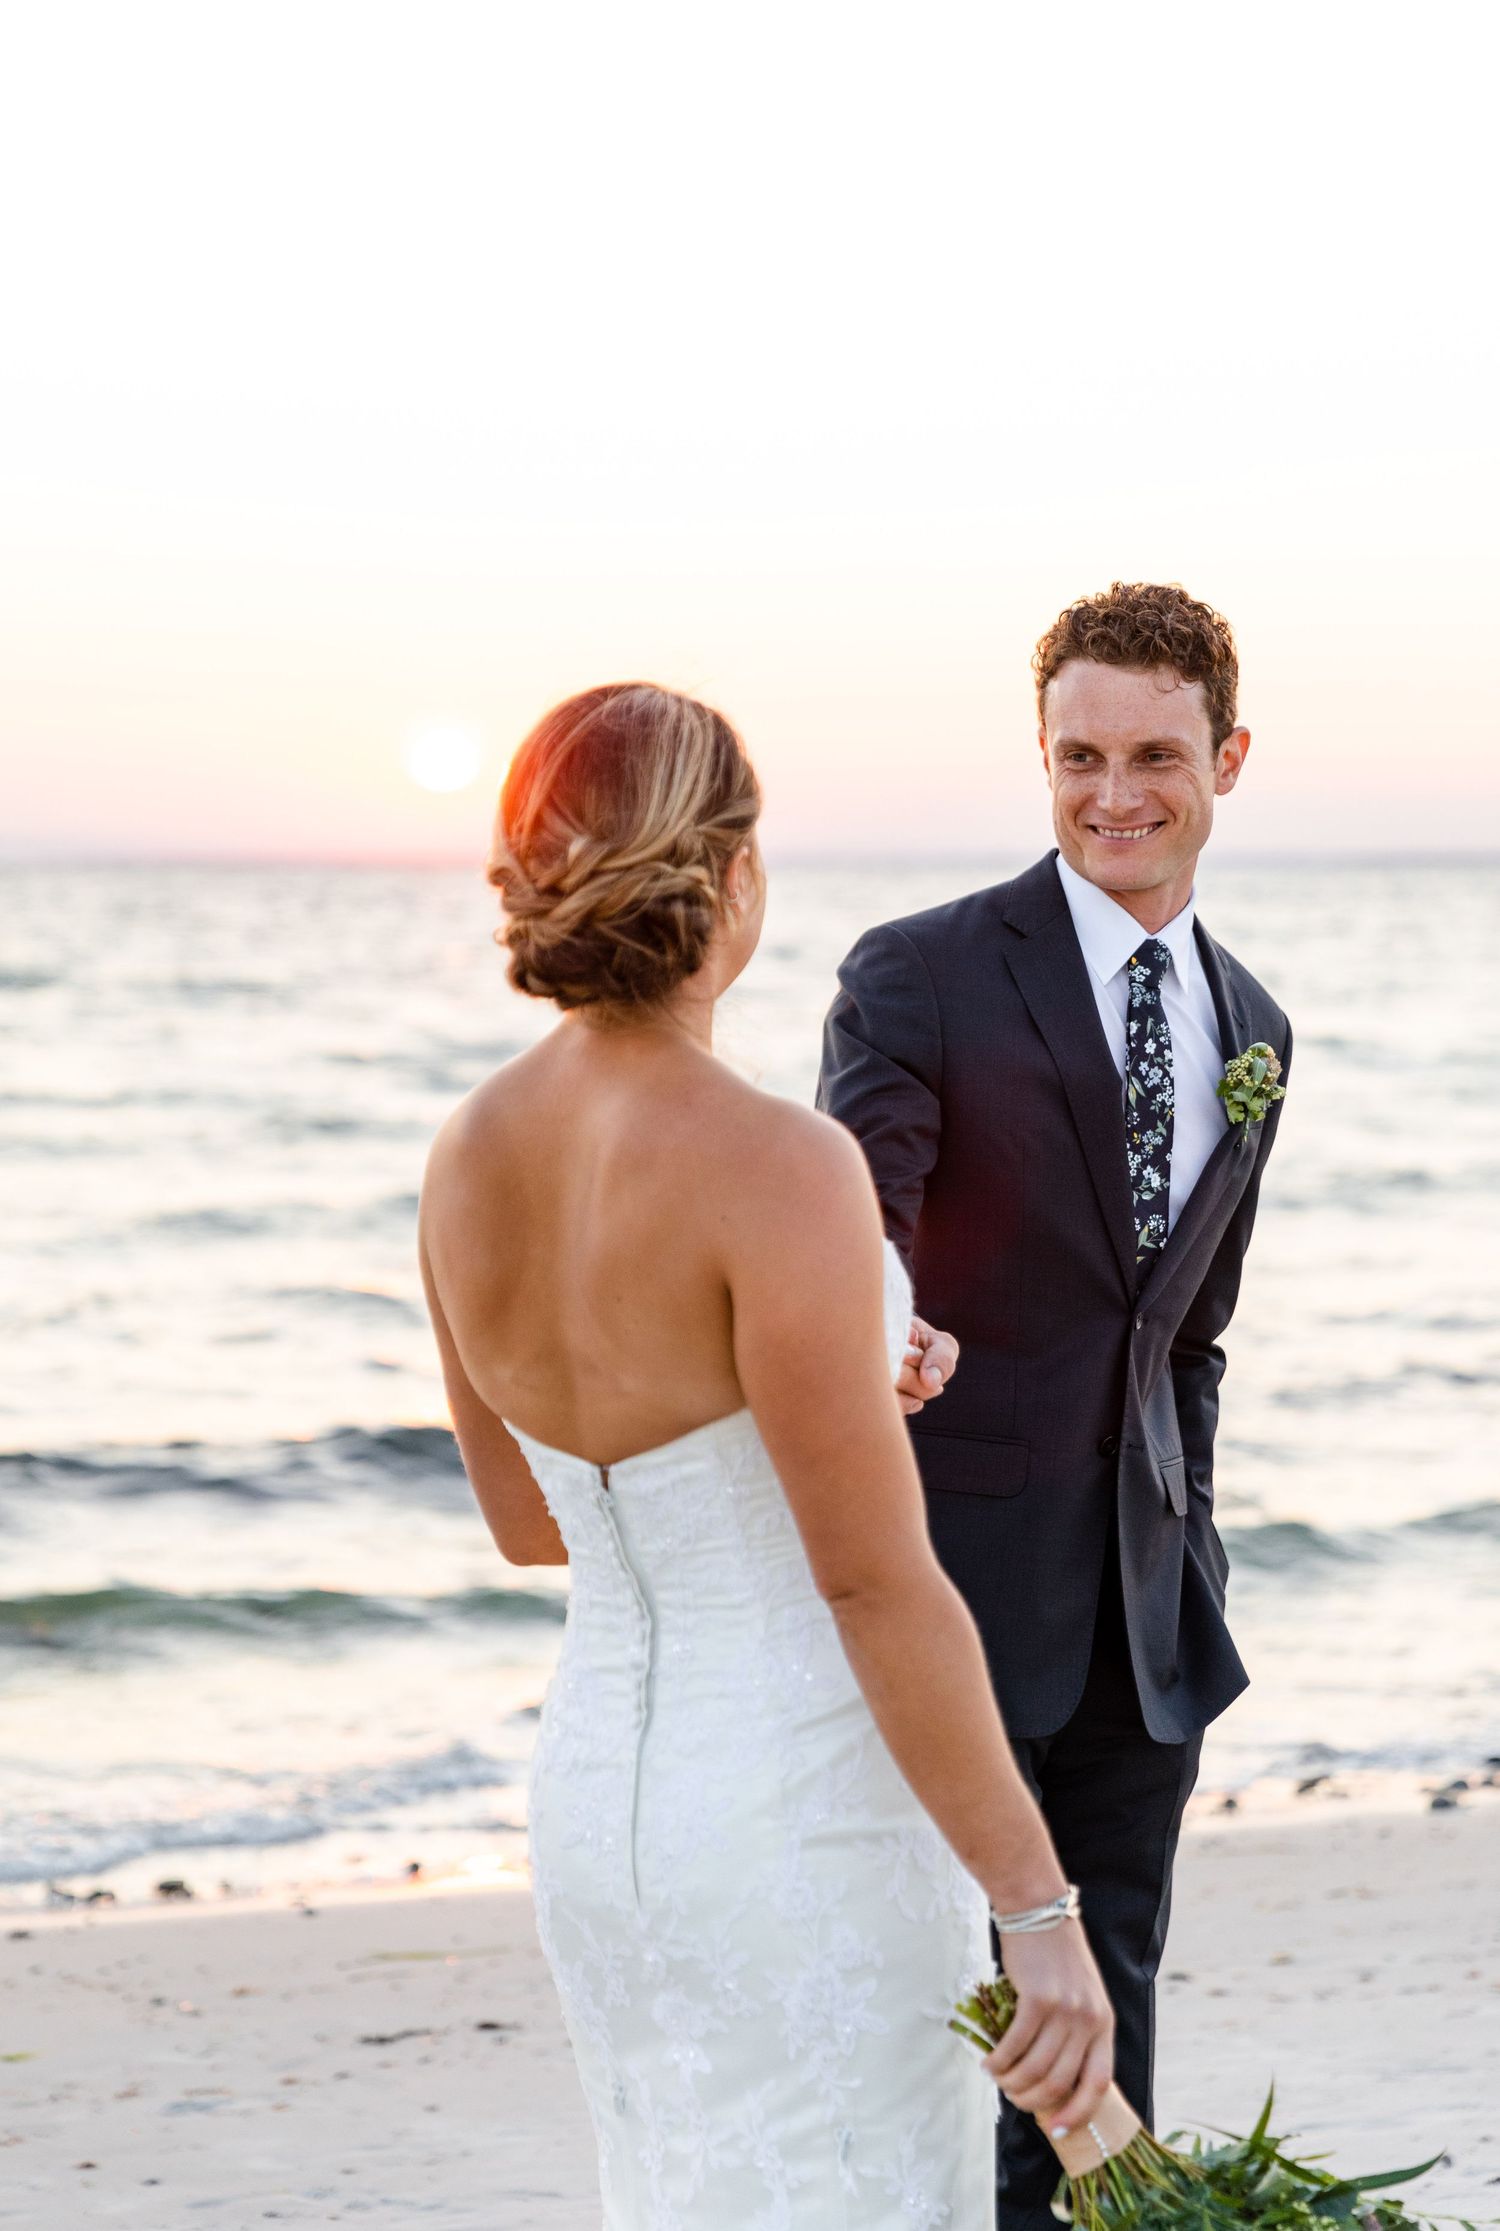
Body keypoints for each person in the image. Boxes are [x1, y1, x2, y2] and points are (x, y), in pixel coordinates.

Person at [418, 682, 1112, 2228]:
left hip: (601, 1814)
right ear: (730, 875)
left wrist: (850, 1395)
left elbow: (537, 1525)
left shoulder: (463, 1155)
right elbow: (873, 1587)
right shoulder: (787, 1164)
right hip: (806, 1818)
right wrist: (1039, 1910)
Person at [818, 583, 1292, 2231]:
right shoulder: (922, 974)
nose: (1115, 794)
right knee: (928, 2027)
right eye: (1078, 755)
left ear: (1225, 757)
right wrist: (878, 1320)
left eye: (1156, 754)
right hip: (945, 1599)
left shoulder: (1258, 1031)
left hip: (1145, 1619)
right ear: (1041, 756)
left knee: (1111, 2046)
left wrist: (1192, 1547)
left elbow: (1192, 1338)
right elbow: (850, 1217)